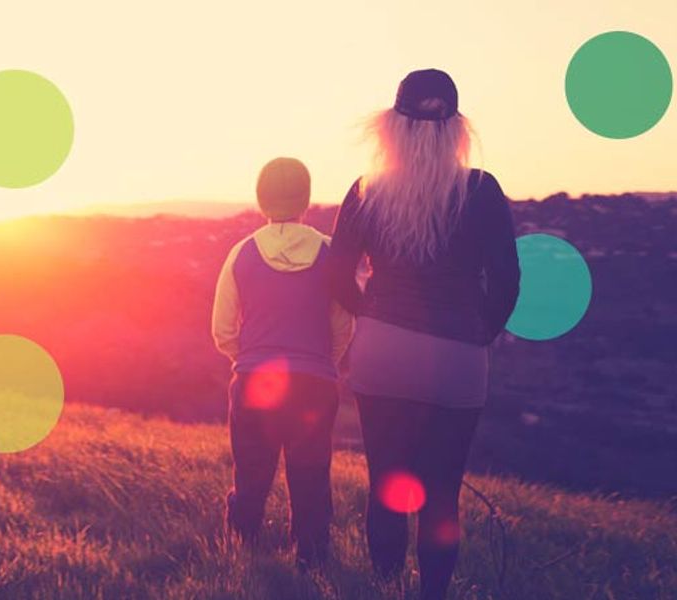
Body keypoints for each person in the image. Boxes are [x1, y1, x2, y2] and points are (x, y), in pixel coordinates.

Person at [326, 69, 521, 600]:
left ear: (391, 126)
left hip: (382, 351)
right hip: (458, 356)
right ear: (457, 128)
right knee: (442, 495)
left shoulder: (367, 190)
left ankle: (385, 589)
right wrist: (481, 330)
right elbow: (507, 278)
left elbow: (336, 272)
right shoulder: (480, 190)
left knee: (386, 485)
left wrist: (370, 313)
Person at [212, 157, 354, 567]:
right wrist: (323, 364)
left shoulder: (241, 253)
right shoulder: (330, 253)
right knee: (310, 473)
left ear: (260, 199)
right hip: (314, 383)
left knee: (251, 473)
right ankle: (311, 558)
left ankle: (242, 553)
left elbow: (222, 329)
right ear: (306, 199)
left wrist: (250, 360)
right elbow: (343, 325)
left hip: (254, 379)